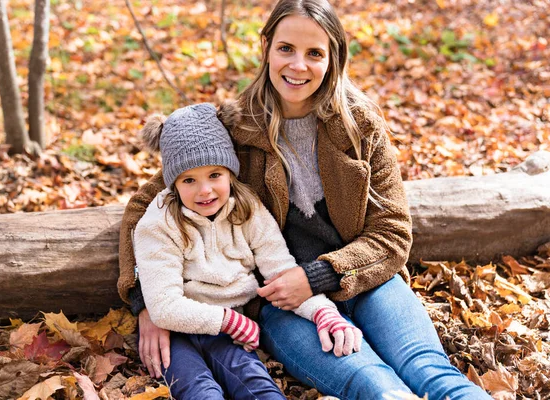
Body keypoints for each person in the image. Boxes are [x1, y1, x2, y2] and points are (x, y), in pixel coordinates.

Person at [118, 0, 493, 398]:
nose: (298, 66)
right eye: (286, 49)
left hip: (368, 282)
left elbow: (393, 231)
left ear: (333, 58)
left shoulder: (360, 125)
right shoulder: (232, 127)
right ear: (266, 48)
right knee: (375, 386)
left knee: (432, 373)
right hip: (282, 307)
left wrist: (318, 276)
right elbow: (145, 205)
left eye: (314, 53)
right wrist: (146, 303)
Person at [132, 102, 362, 400]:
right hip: (177, 333)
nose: (205, 191)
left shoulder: (248, 209)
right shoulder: (159, 224)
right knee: (200, 390)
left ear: (230, 172)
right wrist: (230, 321)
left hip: (230, 331)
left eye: (215, 175)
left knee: (258, 386)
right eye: (189, 180)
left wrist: (322, 312)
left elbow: (280, 270)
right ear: (173, 183)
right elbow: (164, 305)